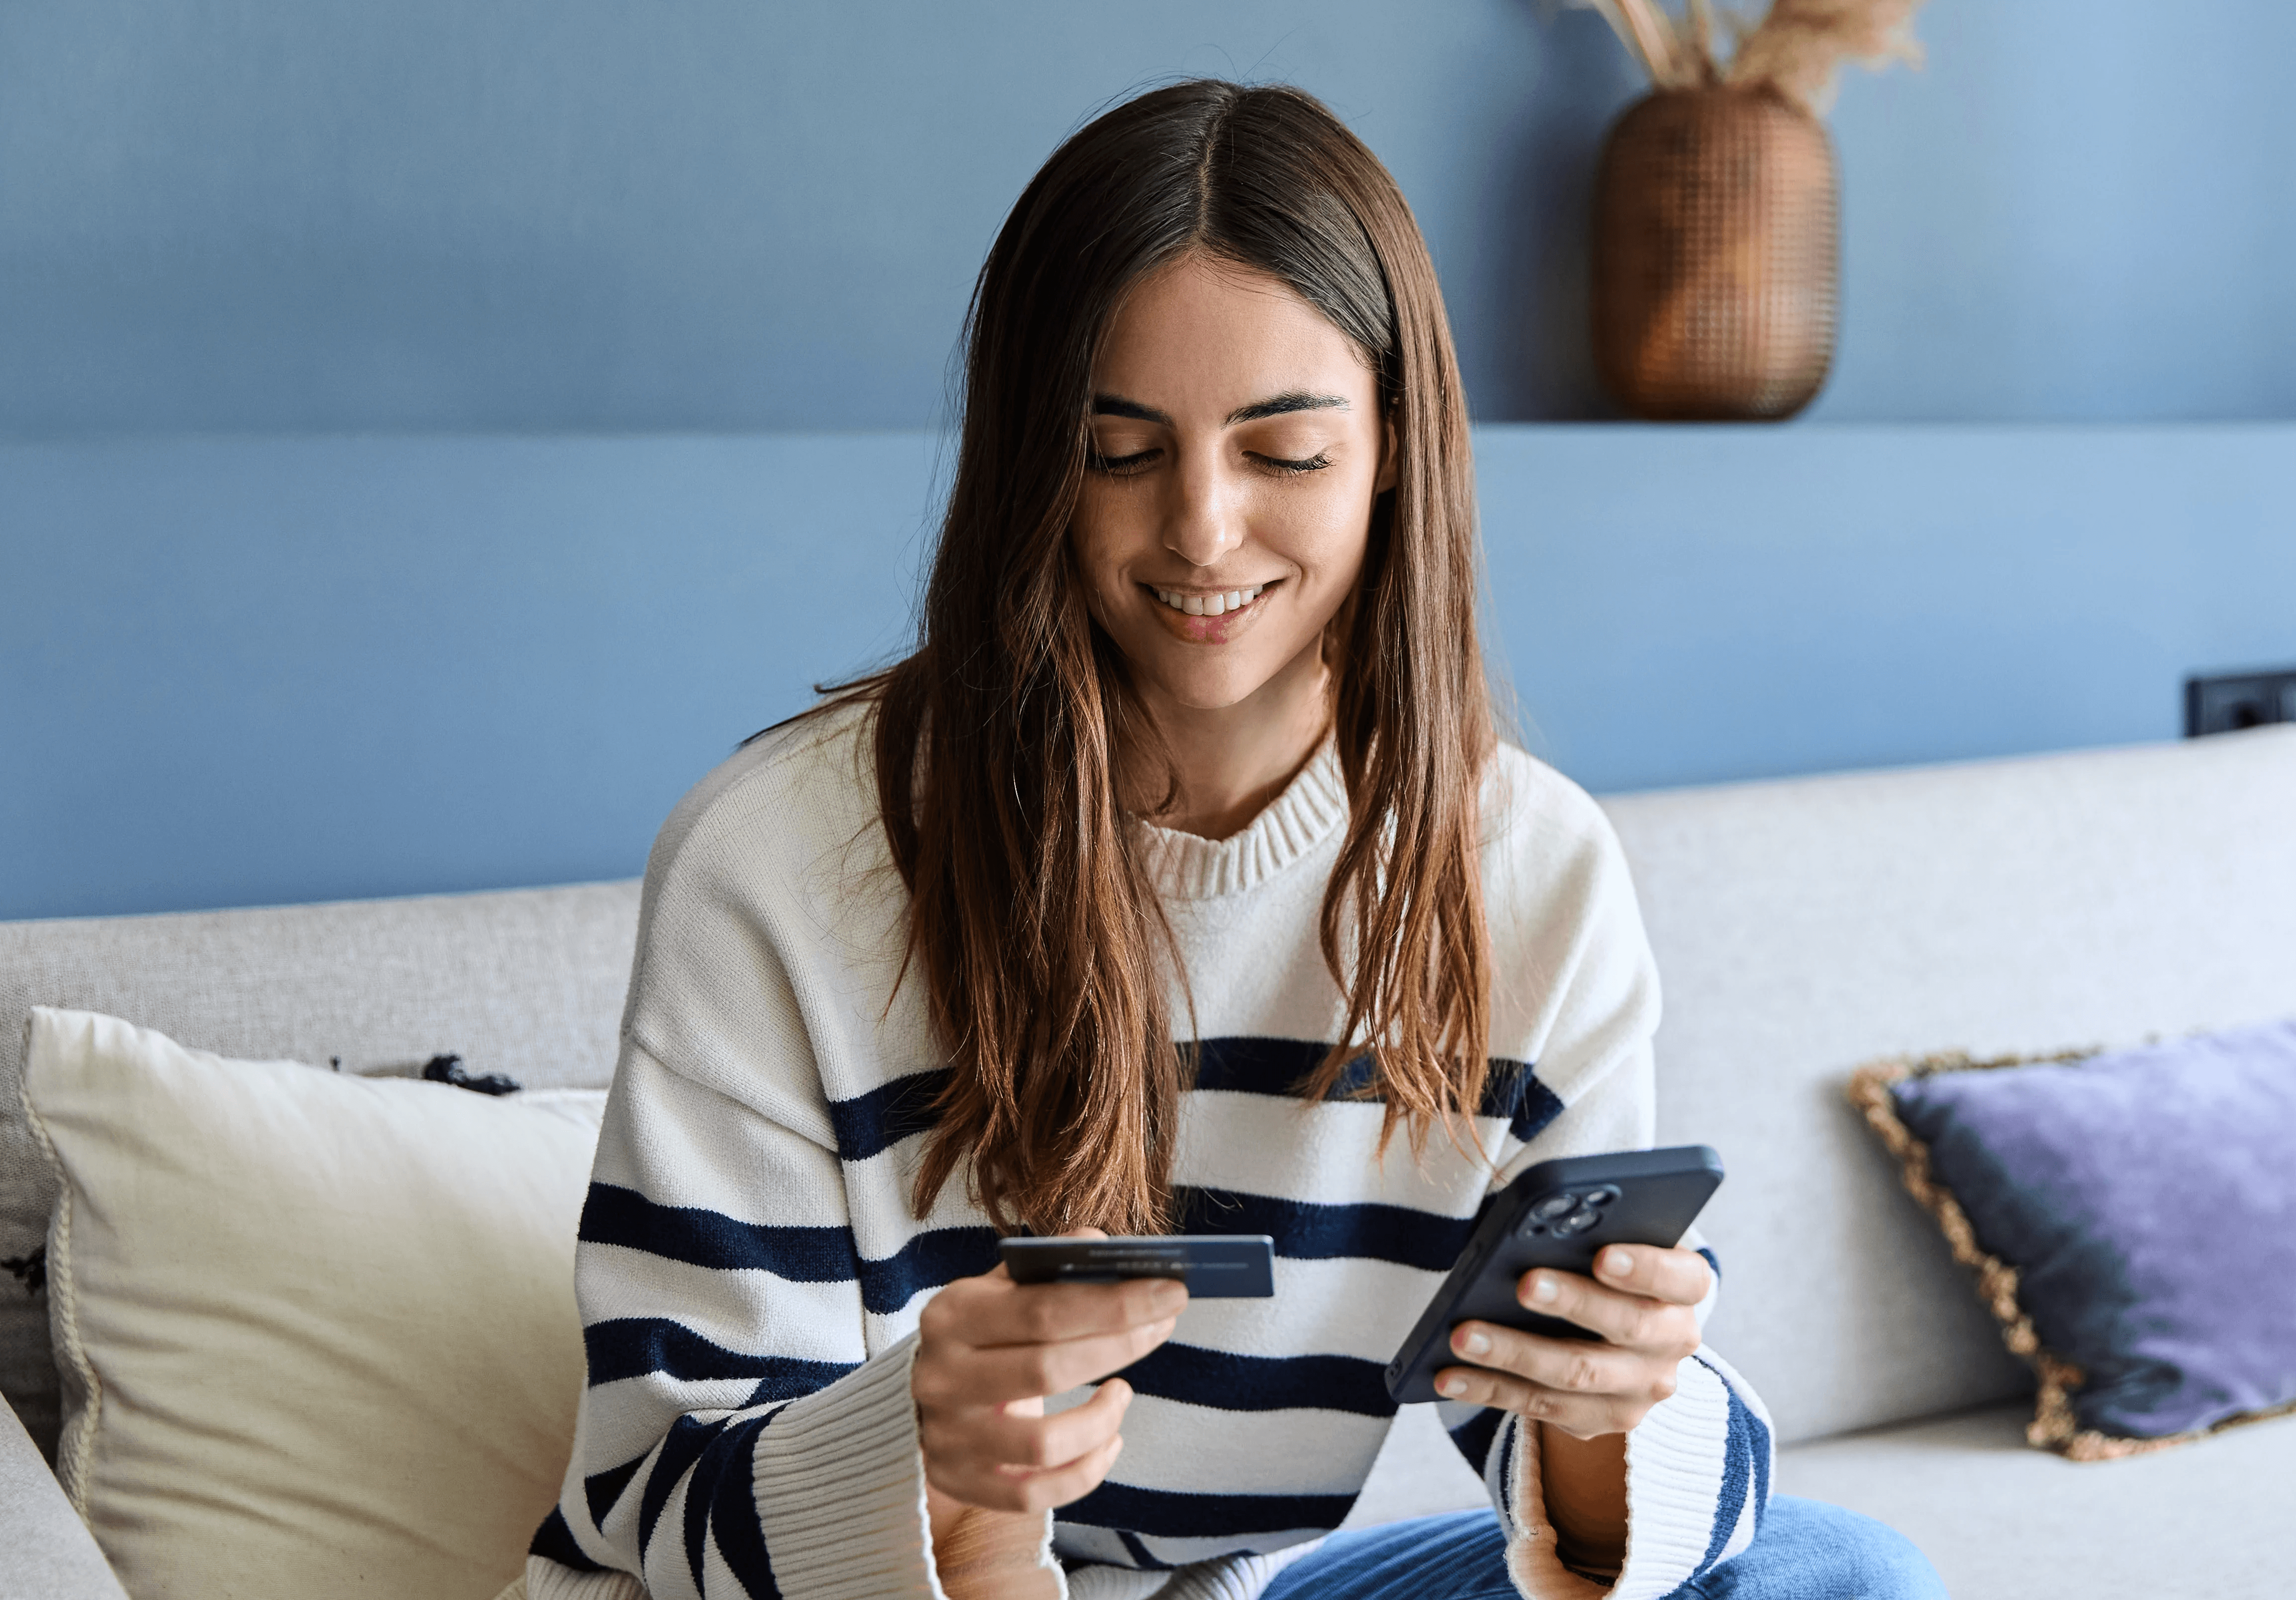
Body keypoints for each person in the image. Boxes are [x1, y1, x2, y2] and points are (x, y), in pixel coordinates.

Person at [519, 80, 1944, 1600]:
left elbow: (1587, 1475)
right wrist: (924, 1466)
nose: (1202, 530)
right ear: (1028, 467)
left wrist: (1603, 1416)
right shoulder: (781, 862)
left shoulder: (1529, 870)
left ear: (1396, 448)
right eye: (1119, 451)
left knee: (1833, 1574)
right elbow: (650, 1486)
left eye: (1284, 452)